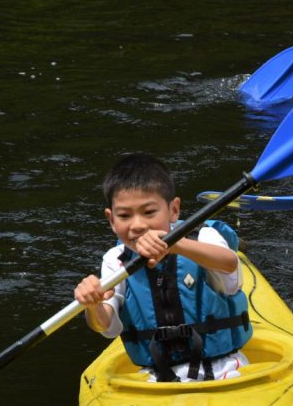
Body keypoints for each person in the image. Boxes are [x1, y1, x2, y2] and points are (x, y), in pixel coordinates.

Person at [73, 153, 252, 382]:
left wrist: (176, 244)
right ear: (111, 220)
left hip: (224, 369)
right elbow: (106, 326)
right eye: (125, 215)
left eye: (149, 212)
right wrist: (93, 305)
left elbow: (230, 268)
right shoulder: (115, 259)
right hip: (156, 377)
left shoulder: (203, 236)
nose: (137, 225)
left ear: (173, 210)